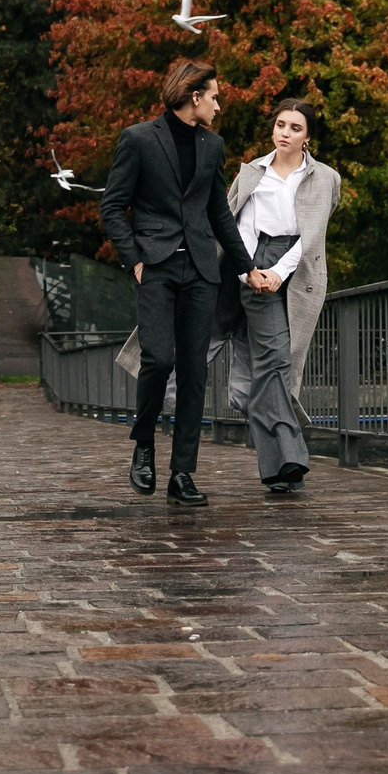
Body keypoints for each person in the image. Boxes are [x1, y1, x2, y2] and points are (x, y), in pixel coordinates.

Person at [100, 59, 260, 504]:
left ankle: (183, 474)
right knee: (158, 358)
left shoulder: (213, 146)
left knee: (194, 372)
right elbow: (113, 207)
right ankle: (144, 443)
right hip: (156, 266)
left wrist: (247, 268)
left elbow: (219, 214)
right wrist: (134, 261)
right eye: (214, 95)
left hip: (202, 273)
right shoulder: (138, 139)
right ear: (194, 97)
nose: (219, 104)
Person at [224, 99, 342, 495]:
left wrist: (280, 272)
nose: (284, 133)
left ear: (308, 137)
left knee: (271, 372)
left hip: (301, 268)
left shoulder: (325, 178)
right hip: (255, 265)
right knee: (275, 359)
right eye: (280, 125)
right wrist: (250, 272)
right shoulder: (252, 172)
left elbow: (313, 236)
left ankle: (277, 471)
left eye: (295, 127)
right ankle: (292, 455)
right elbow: (240, 227)